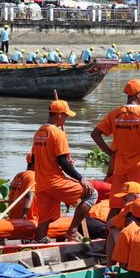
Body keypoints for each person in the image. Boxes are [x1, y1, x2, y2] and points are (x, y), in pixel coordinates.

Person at [91, 79, 140, 214]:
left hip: (120, 166)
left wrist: (110, 153)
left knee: (116, 206)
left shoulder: (115, 114)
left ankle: (111, 234)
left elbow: (95, 134)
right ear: (137, 94)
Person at [31, 100, 96, 242]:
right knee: (91, 194)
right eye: (65, 116)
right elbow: (62, 161)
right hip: (55, 181)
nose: (66, 119)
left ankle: (39, 241)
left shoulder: (39, 132)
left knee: (44, 220)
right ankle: (72, 231)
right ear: (59, 115)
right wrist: (80, 178)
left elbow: (35, 160)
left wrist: (63, 161)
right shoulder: (58, 133)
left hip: (41, 183)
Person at [7, 153, 37, 220]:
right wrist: (24, 215)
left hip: (13, 217)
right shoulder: (33, 176)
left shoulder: (19, 175)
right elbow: (29, 196)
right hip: (27, 219)